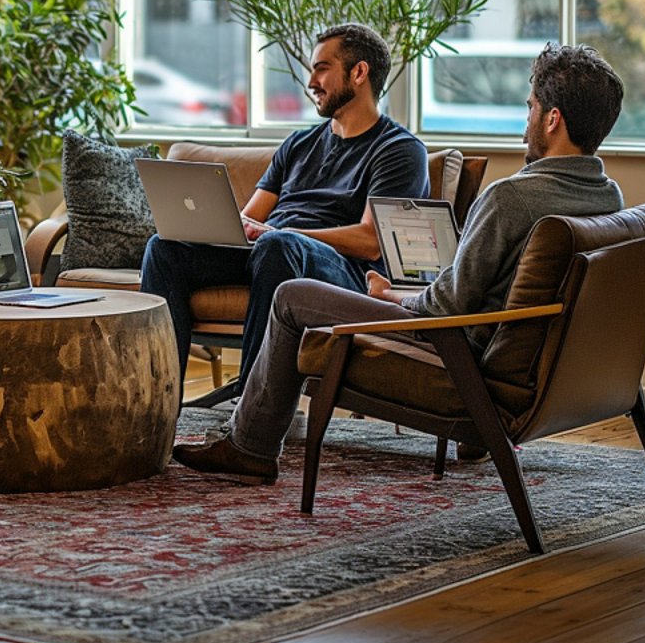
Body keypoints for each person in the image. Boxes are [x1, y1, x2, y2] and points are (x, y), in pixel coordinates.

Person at [172, 43, 627, 482]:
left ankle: (250, 445)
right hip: (509, 357)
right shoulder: (609, 198)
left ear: (552, 119)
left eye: (529, 108)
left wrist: (390, 294)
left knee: (292, 296)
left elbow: (448, 304)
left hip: (456, 354)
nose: (524, 121)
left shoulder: (508, 199)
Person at [140, 23, 430, 383]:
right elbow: (251, 219)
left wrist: (284, 231)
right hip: (271, 250)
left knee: (279, 244)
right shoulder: (299, 144)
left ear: (358, 73)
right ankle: (159, 396)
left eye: (322, 68)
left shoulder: (399, 150)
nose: (311, 82)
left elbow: (372, 242)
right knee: (164, 247)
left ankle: (251, 407)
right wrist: (223, 229)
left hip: (341, 270)